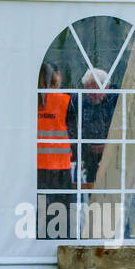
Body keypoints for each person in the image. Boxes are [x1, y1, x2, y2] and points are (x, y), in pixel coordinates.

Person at [36, 62, 77, 233]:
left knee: (40, 213)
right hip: (60, 167)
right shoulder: (65, 101)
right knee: (61, 214)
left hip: (36, 167)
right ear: (55, 78)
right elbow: (74, 134)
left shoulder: (30, 101)